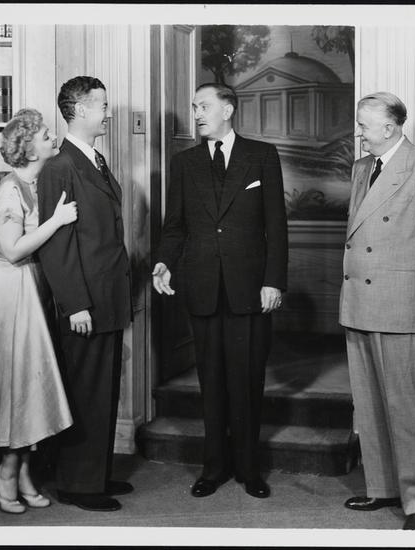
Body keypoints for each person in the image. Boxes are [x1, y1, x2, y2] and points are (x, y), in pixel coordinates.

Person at [153, 83, 288, 499]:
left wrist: (273, 280)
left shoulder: (262, 156)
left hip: (250, 289)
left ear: (227, 110)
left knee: (247, 381)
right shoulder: (185, 162)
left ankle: (249, 469)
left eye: (204, 106)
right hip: (203, 288)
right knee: (210, 382)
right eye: (194, 106)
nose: (196, 113)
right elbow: (174, 225)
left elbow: (276, 226)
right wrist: (164, 261)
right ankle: (213, 468)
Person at [339, 92, 415, 530]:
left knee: (409, 407)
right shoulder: (361, 168)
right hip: (359, 303)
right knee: (370, 403)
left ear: (389, 128)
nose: (359, 133)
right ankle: (383, 487)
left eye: (364, 126)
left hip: (402, 305)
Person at [0, 108, 78, 514]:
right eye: (45, 135)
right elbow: (11, 250)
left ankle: (23, 471)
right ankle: (6, 473)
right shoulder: (10, 191)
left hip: (31, 286)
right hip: (12, 289)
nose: (53, 137)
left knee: (30, 384)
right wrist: (57, 221)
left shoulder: (34, 184)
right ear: (29, 148)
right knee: (17, 384)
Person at [36, 76, 132, 512]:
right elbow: (57, 246)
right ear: (79, 110)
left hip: (106, 296)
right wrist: (75, 304)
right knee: (86, 391)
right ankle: (78, 484)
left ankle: (96, 475)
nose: (108, 113)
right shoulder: (60, 166)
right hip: (85, 302)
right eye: (103, 106)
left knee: (102, 390)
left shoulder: (93, 159)